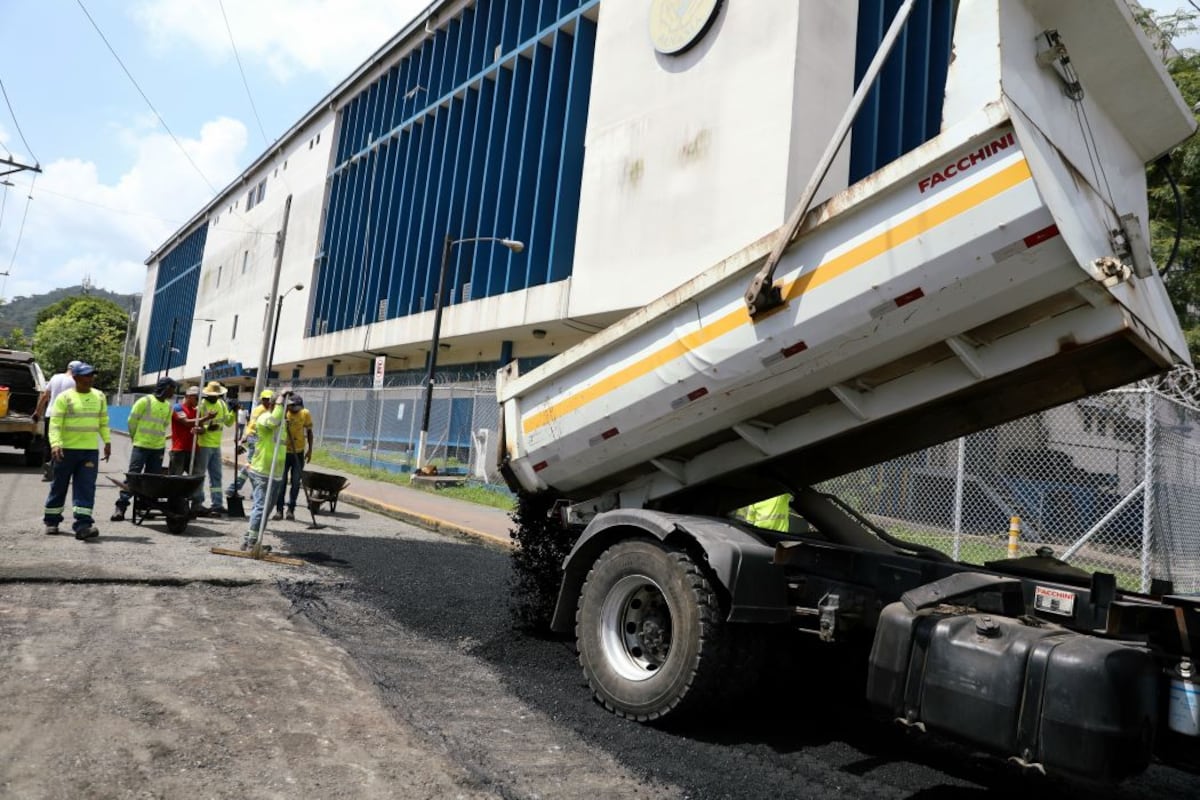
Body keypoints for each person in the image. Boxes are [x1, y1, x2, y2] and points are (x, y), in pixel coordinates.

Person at [43, 362, 110, 540]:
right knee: (59, 485)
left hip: (89, 451)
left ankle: (83, 525)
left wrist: (107, 441)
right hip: (65, 450)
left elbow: (103, 422)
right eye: (86, 375)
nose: (90, 379)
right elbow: (55, 424)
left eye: (92, 375)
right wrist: (55, 444)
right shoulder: (65, 398)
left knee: (86, 488)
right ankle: (52, 520)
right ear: (75, 378)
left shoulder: (100, 396)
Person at [111, 376, 177, 521]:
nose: (173, 393)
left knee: (152, 480)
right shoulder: (145, 401)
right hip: (141, 446)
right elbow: (131, 421)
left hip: (158, 448)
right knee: (133, 476)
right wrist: (135, 438)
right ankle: (121, 507)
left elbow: (164, 425)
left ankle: (145, 507)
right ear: (165, 388)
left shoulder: (167, 406)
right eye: (172, 389)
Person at [244, 389, 289, 551]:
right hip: (262, 471)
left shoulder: (282, 423)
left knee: (267, 509)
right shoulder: (265, 418)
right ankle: (251, 543)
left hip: (275, 473)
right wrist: (279, 403)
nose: (286, 410)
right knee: (261, 507)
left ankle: (252, 539)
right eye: (284, 406)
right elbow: (273, 421)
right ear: (274, 405)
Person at [169, 386, 215, 513]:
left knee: (197, 477)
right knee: (176, 478)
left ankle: (197, 504)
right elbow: (187, 422)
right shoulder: (178, 408)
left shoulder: (196, 411)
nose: (198, 401)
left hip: (194, 449)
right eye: (197, 398)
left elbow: (202, 428)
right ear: (189, 396)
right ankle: (174, 504)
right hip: (179, 449)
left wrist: (200, 429)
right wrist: (206, 417)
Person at [34, 360, 81, 481]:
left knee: (49, 443)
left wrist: (37, 412)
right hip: (66, 417)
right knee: (64, 444)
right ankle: (57, 468)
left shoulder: (55, 377)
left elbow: (45, 396)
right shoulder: (76, 381)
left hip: (50, 414)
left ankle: (48, 469)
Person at [194, 381, 235, 515]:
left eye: (217, 395)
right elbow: (195, 426)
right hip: (203, 444)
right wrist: (206, 427)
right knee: (200, 475)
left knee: (216, 476)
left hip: (216, 446)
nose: (215, 397)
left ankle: (217, 504)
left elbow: (228, 422)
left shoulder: (222, 404)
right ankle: (198, 503)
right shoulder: (201, 405)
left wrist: (234, 411)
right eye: (212, 395)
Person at [227, 389, 274, 496]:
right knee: (252, 465)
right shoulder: (262, 410)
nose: (267, 402)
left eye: (269, 399)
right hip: (256, 439)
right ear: (262, 400)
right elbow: (253, 427)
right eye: (265, 399)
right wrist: (245, 439)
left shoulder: (264, 409)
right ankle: (234, 487)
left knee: (255, 466)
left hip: (258, 440)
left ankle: (254, 491)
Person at [274, 394, 313, 521]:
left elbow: (309, 431)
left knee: (296, 482)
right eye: (292, 407)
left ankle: (291, 510)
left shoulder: (305, 413)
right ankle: (279, 510)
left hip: (299, 452)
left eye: (297, 407)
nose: (294, 410)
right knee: (282, 482)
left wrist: (310, 450)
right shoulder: (283, 413)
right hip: (284, 452)